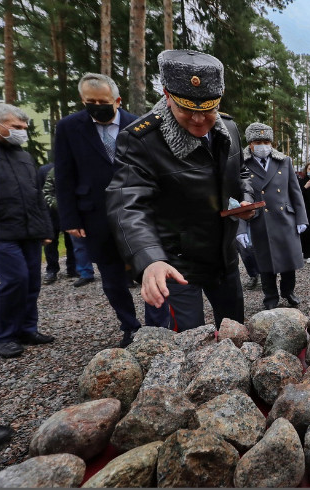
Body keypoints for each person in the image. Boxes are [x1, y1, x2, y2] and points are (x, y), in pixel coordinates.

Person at [106, 49, 255, 331]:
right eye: (187, 109)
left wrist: (246, 198)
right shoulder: (141, 139)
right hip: (176, 263)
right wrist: (150, 259)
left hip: (224, 257)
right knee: (188, 345)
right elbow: (127, 205)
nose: (198, 121)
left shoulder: (230, 128)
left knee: (235, 333)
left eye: (208, 110)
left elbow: (242, 171)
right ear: (166, 94)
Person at [55, 73, 170, 347]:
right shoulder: (69, 127)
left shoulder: (140, 124)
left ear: (117, 100)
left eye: (102, 101)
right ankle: (129, 326)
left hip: (141, 210)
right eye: (89, 101)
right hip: (96, 213)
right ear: (82, 100)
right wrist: (70, 218)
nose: (96, 106)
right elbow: (64, 175)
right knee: (112, 278)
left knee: (151, 268)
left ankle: (157, 328)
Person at [0, 103, 55, 359]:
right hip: (2, 232)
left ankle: (27, 329)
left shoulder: (24, 156)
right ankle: (5, 335)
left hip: (30, 231)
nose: (21, 132)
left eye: (24, 128)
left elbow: (36, 196)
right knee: (15, 280)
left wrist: (45, 229)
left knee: (32, 281)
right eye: (15, 127)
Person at [237, 122, 307, 310]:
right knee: (265, 262)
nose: (263, 145)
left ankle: (288, 291)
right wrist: (241, 228)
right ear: (250, 144)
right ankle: (270, 297)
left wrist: (301, 218)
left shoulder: (284, 161)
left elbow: (295, 191)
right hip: (259, 220)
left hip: (285, 219)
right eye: (258, 141)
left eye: (267, 141)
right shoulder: (242, 163)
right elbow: (239, 198)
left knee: (288, 260)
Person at [41, 165, 96, 286]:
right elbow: (46, 192)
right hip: (63, 212)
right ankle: (82, 272)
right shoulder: (52, 171)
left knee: (80, 242)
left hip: (85, 210)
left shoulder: (86, 165)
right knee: (70, 242)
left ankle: (76, 269)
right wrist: (62, 207)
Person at [37, 162, 77, 284]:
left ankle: (72, 267)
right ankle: (52, 270)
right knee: (51, 243)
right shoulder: (44, 170)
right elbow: (40, 191)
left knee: (71, 241)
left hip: (68, 212)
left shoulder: (72, 167)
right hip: (50, 213)